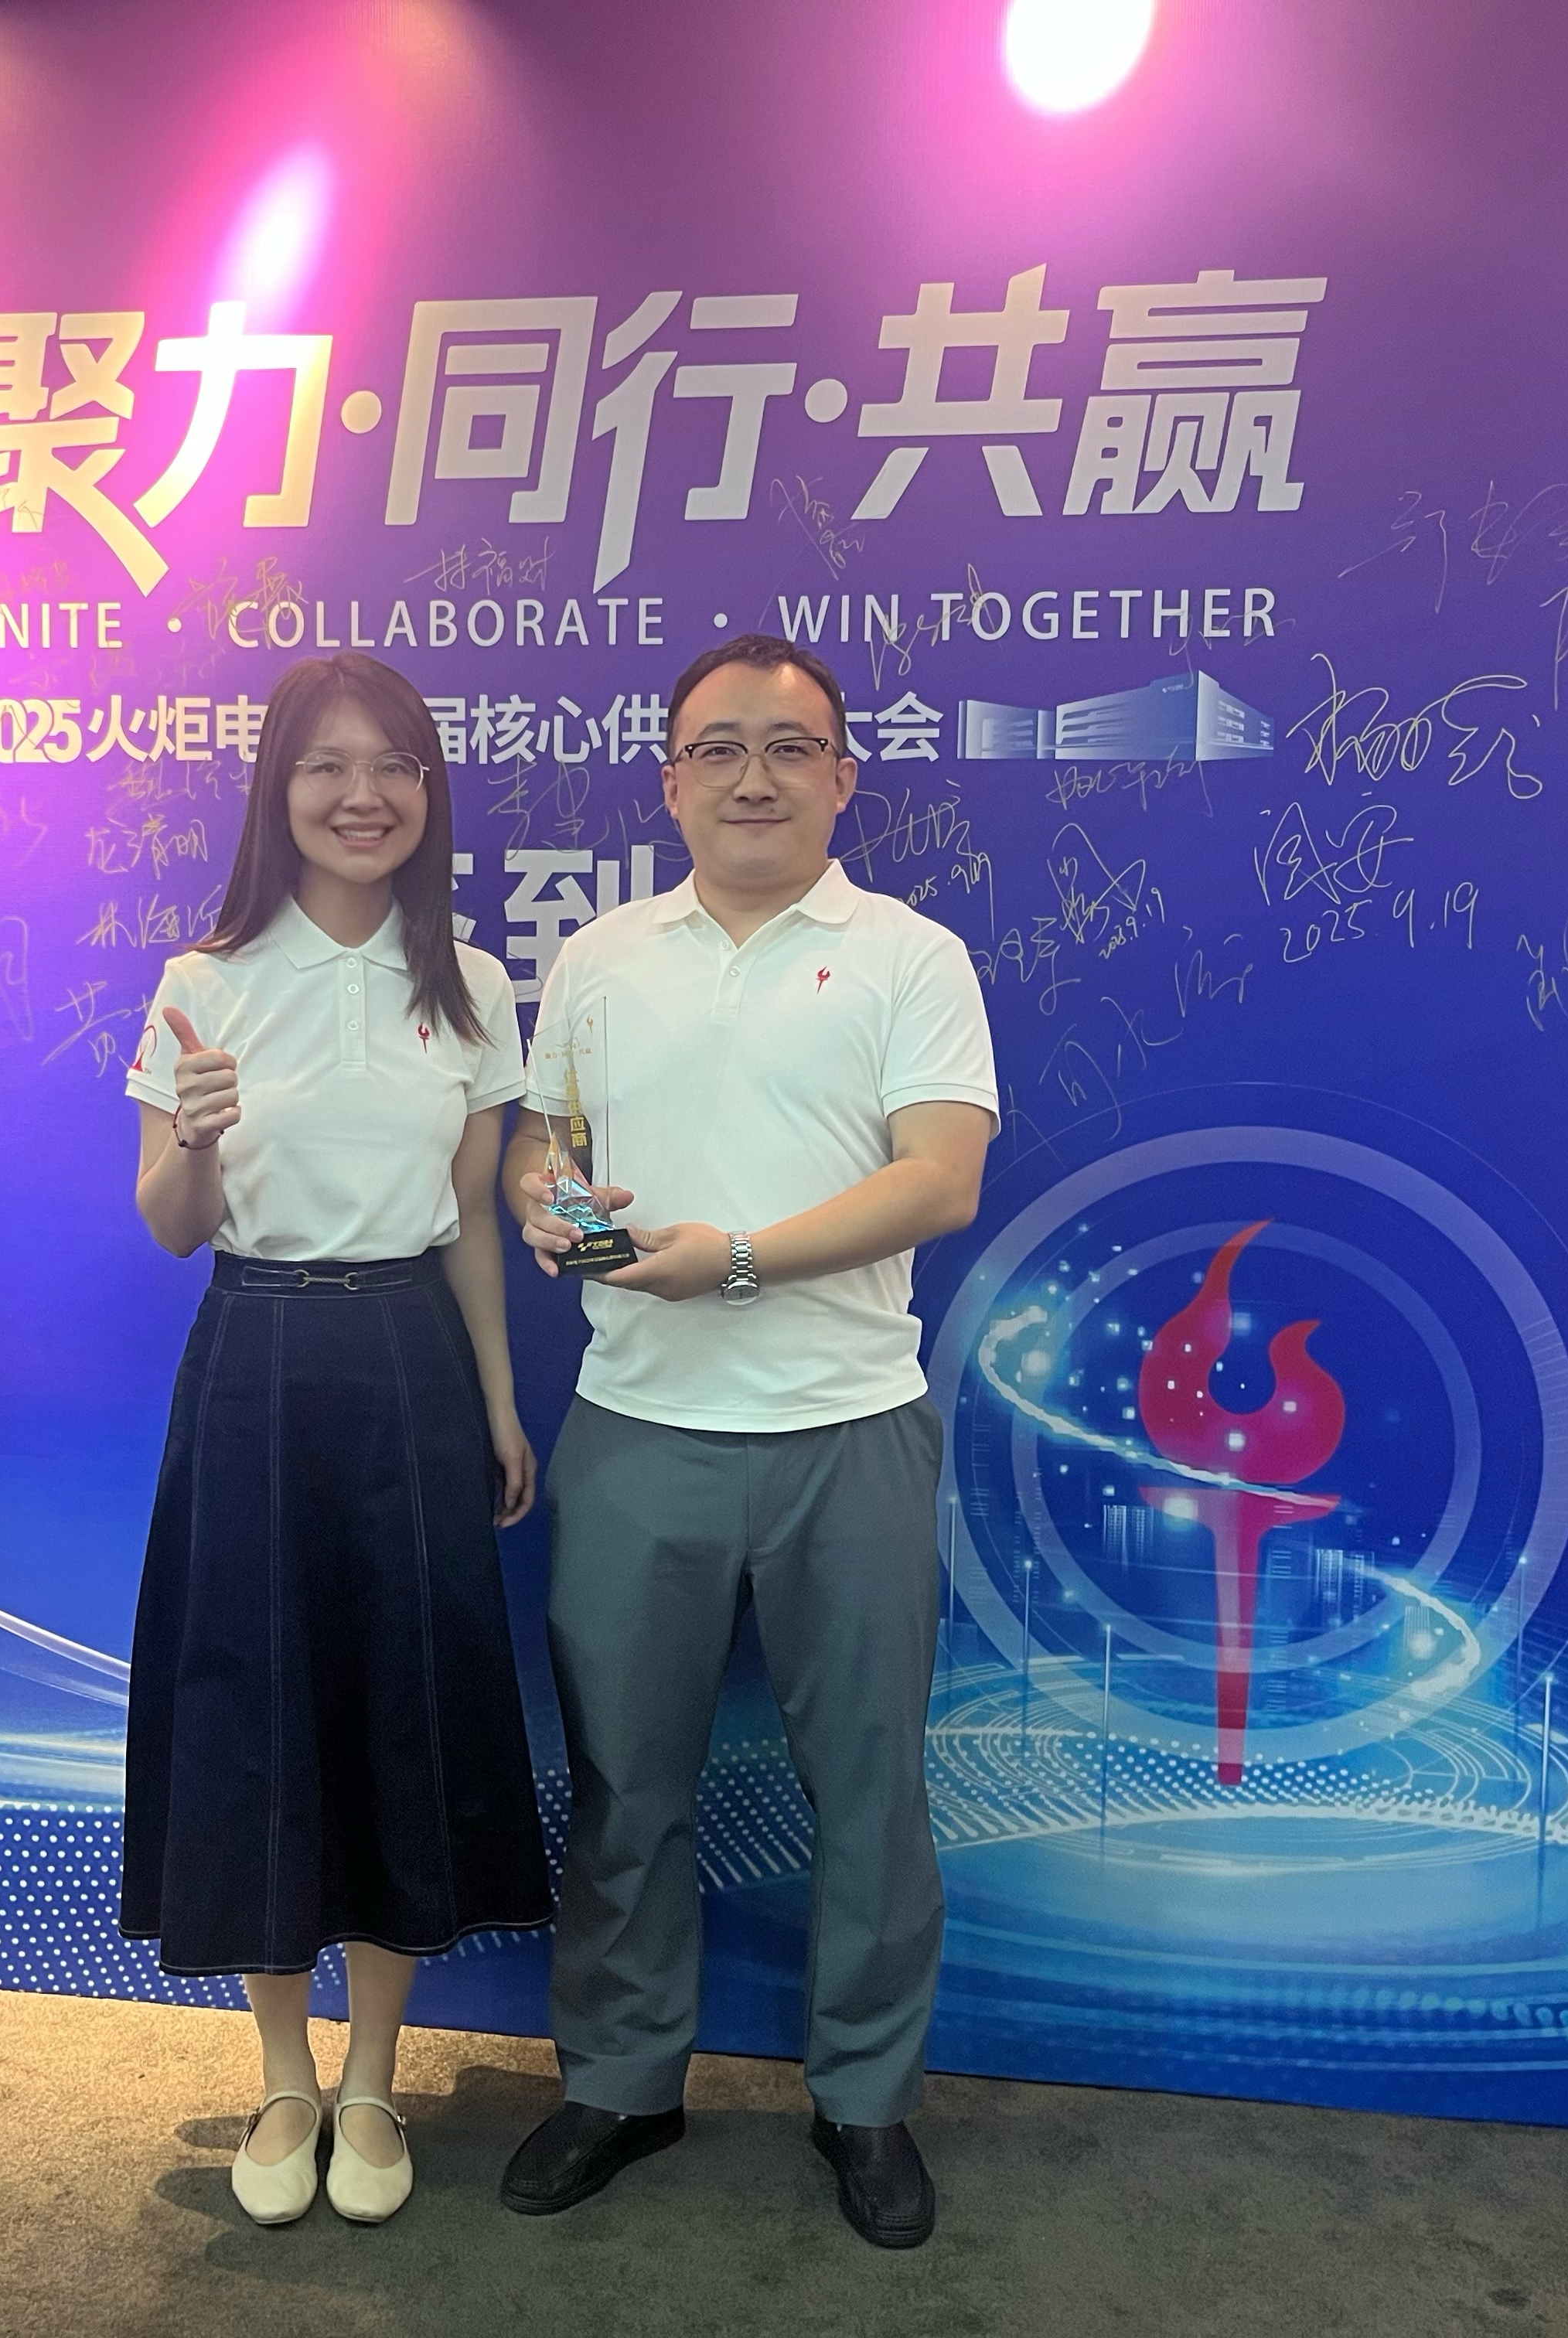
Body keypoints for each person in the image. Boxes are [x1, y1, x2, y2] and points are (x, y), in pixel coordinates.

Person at [496, 636, 997, 2250]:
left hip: (848, 1432)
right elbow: (544, 1144)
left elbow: (940, 1178)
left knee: (870, 1788)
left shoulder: (913, 955)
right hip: (637, 1429)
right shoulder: (599, 957)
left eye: (790, 747)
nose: (753, 776)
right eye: (718, 748)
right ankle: (623, 2081)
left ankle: (866, 2100)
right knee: (624, 1782)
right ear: (670, 781)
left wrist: (734, 1261)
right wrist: (552, 1209)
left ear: (844, 776)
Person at [121, 650, 552, 2228]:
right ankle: (283, 2077)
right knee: (258, 1696)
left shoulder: (472, 982)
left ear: (428, 792)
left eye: (393, 766)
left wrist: (497, 1400)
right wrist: (196, 1137)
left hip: (411, 1360)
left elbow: (470, 1221)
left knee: (396, 1702)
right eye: (326, 766)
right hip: (256, 1353)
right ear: (278, 793)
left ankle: (372, 2080)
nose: (362, 795)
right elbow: (171, 1225)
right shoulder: (208, 977)